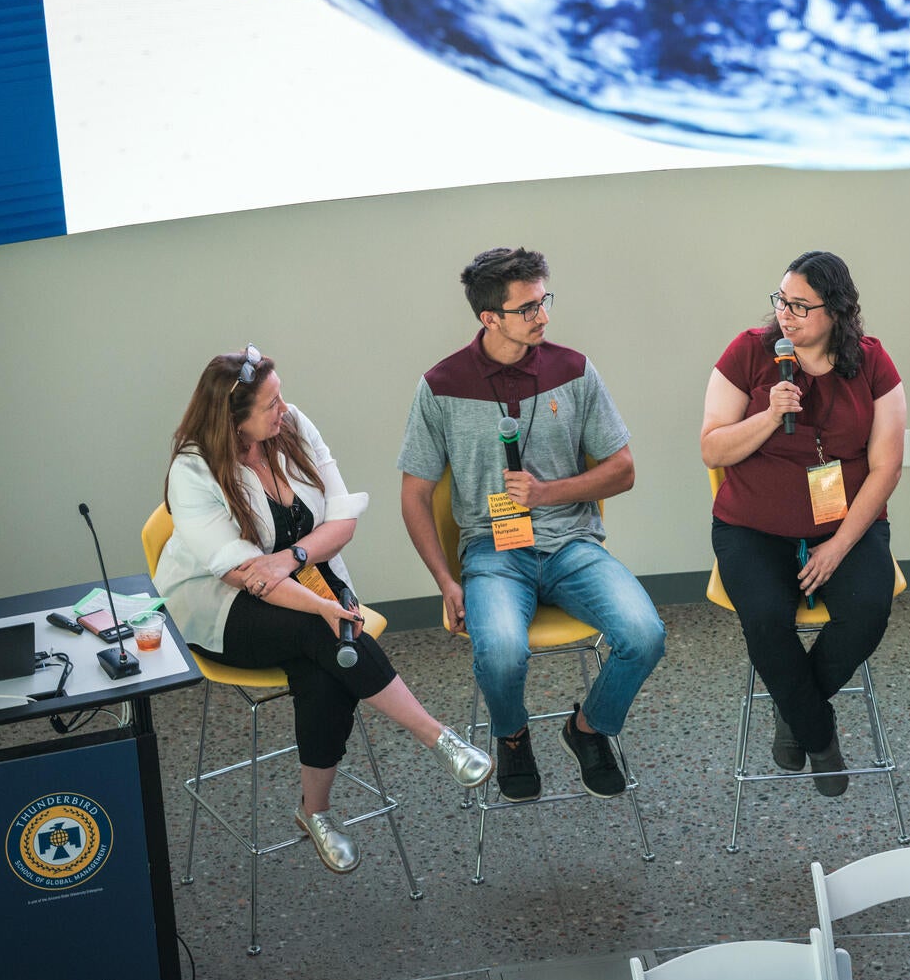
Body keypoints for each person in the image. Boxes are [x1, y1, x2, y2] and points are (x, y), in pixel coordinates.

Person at [157, 346, 491, 874]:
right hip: (222, 607)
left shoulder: (290, 427)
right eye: (270, 405)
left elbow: (341, 521)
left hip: (301, 577)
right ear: (232, 421)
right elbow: (243, 575)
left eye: (281, 396)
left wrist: (294, 559)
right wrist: (321, 606)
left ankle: (315, 813)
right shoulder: (193, 470)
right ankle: (436, 736)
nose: (283, 409)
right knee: (330, 638)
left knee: (331, 663)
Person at [398, 248, 666, 804]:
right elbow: (414, 494)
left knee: (645, 636)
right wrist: (446, 582)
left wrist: (548, 493)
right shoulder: (441, 385)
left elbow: (623, 471)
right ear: (489, 318)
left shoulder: (573, 369)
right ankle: (512, 733)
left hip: (572, 544)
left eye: (545, 301)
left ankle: (588, 728)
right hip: (493, 552)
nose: (543, 315)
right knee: (499, 652)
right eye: (528, 308)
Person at [699, 251, 906, 795]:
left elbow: (887, 466)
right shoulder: (749, 352)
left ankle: (793, 708)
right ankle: (817, 731)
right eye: (781, 301)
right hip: (752, 525)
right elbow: (711, 448)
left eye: (799, 306)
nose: (784, 315)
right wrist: (769, 415)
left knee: (867, 611)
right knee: (767, 616)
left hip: (846, 523)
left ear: (835, 311)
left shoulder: (872, 362)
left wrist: (838, 546)